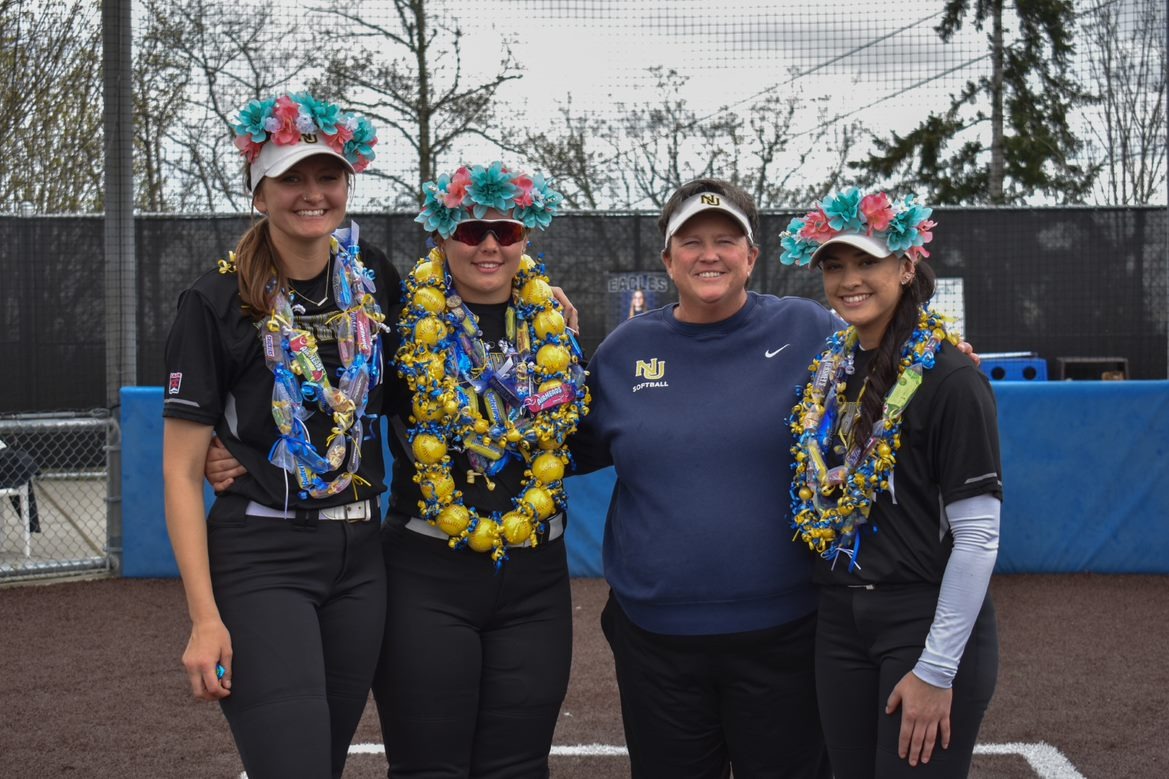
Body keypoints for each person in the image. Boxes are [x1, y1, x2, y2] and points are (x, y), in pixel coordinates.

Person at [203, 162, 586, 778]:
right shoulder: (399, 322)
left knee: (518, 767)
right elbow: (322, 390)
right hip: (427, 571)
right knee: (428, 768)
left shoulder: (557, 334)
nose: (488, 244)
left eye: (506, 232)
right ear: (440, 235)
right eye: (468, 230)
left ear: (526, 238)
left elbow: (586, 440)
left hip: (537, 574)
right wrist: (217, 444)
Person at [162, 93, 394, 779]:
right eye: (291, 177)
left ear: (347, 184)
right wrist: (204, 619)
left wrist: (537, 297)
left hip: (360, 557)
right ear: (259, 192)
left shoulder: (373, 277)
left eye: (327, 177)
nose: (312, 194)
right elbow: (179, 472)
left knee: (317, 761)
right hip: (264, 555)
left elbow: (447, 339)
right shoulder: (215, 299)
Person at [570, 178, 836, 778]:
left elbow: (890, 371)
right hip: (656, 642)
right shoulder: (622, 351)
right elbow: (561, 447)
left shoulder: (810, 330)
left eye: (725, 239)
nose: (708, 254)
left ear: (751, 255)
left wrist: (947, 359)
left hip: (788, 634)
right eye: (690, 242)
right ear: (667, 260)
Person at [780, 189, 1002, 778]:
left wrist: (936, 669)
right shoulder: (828, 369)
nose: (849, 279)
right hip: (838, 620)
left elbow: (978, 537)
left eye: (867, 262)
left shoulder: (952, 376)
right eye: (834, 265)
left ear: (906, 267)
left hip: (922, 622)